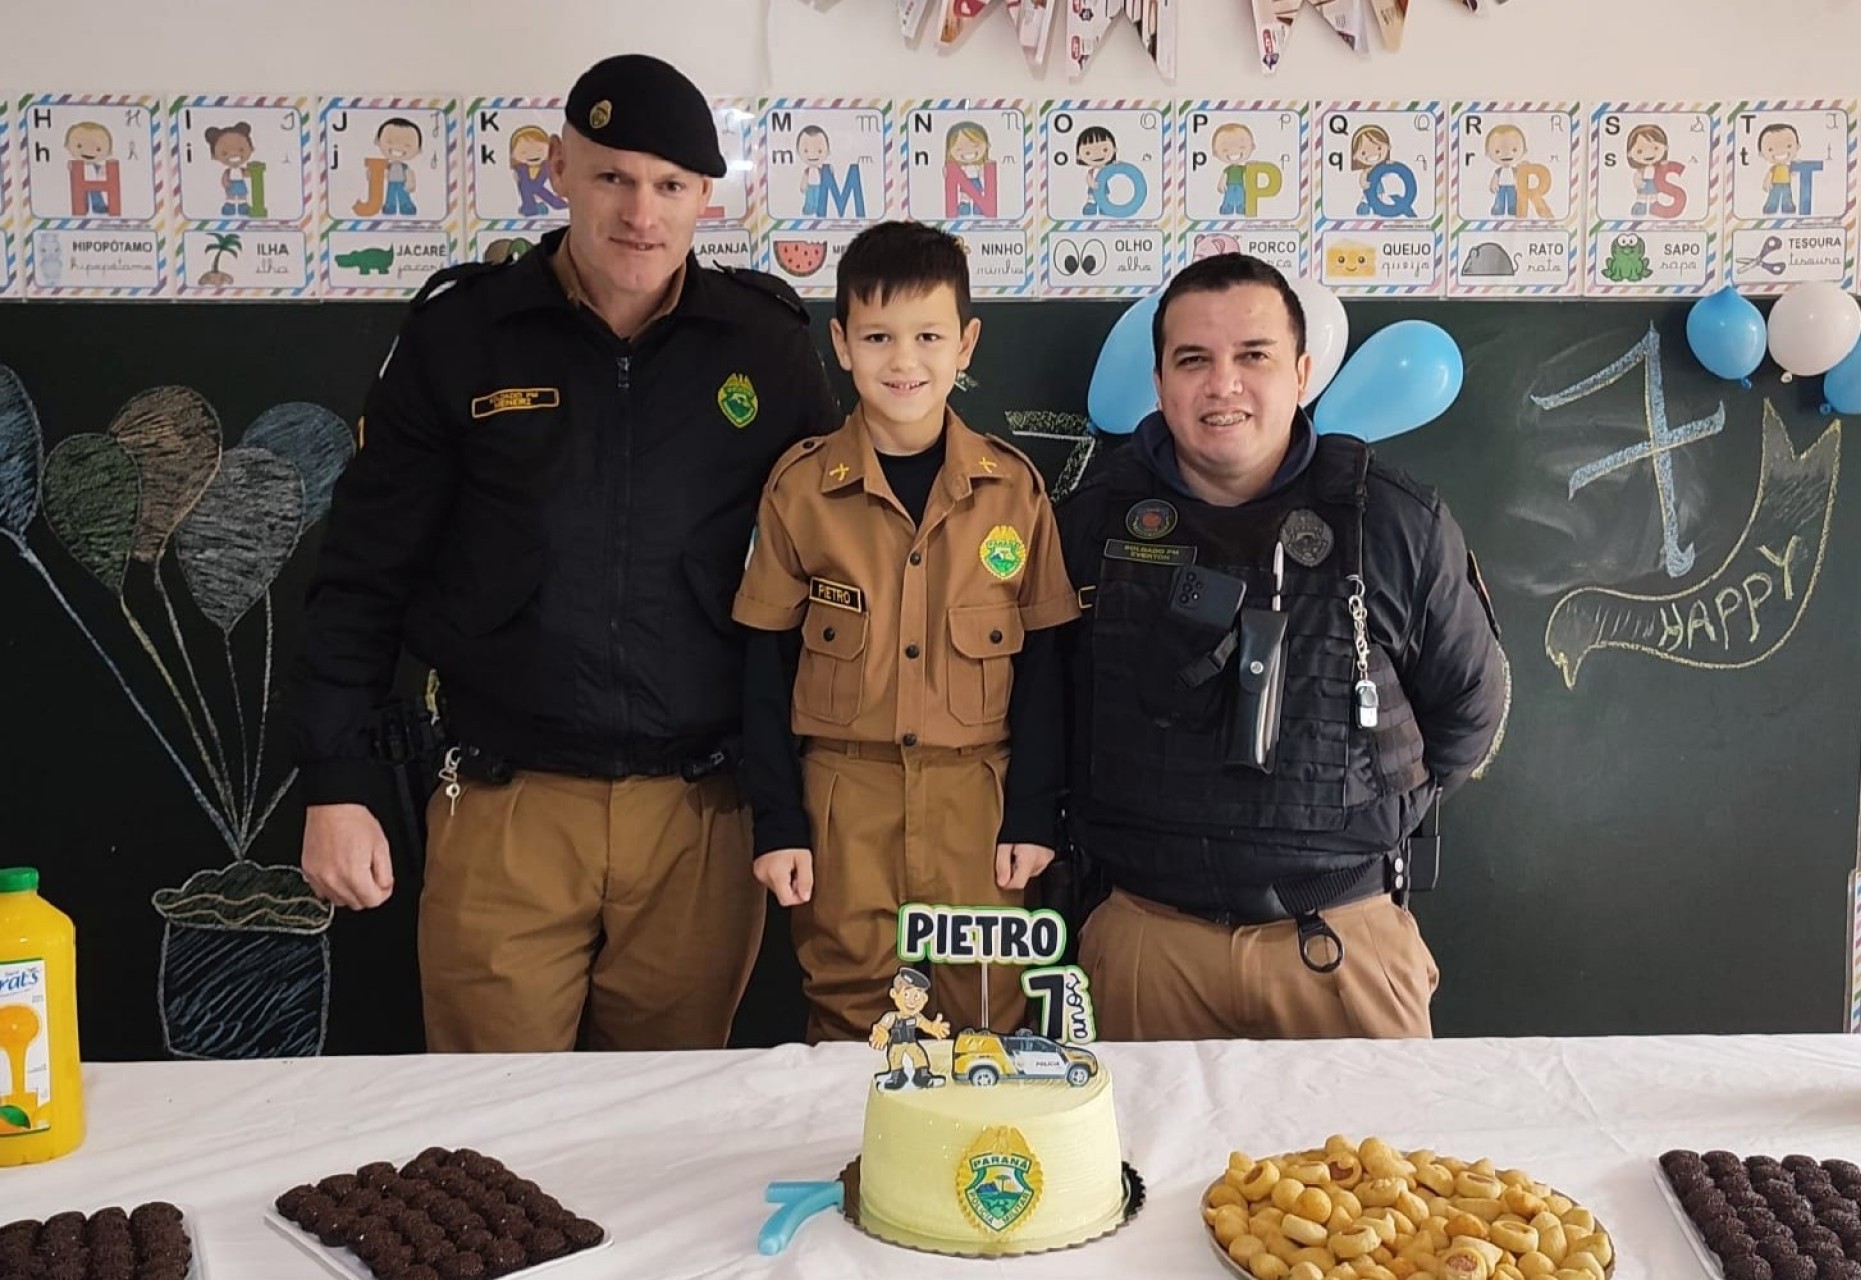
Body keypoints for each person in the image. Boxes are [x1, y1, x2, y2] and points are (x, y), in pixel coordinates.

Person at [289, 53, 842, 1054]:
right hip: (507, 809)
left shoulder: (763, 349)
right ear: (558, 170)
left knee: (662, 1140)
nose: (641, 211)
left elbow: (841, 568)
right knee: (490, 1145)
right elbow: (363, 572)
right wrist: (336, 780)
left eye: (670, 185)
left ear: (704, 198)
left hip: (701, 812)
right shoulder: (464, 337)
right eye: (612, 176)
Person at [1053, 252, 1509, 1041]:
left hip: (1341, 941)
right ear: (1159, 383)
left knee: (1377, 1166)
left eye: (1252, 356)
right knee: (1131, 1169)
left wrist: (1369, 805)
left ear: (1301, 373)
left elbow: (1469, 708)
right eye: (1193, 359)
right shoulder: (1090, 521)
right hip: (1141, 946)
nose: (1222, 384)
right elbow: (1045, 705)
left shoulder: (1394, 521)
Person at [731, 221, 1080, 1043]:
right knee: (853, 1018)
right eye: (880, 336)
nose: (904, 361)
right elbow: (761, 665)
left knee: (988, 1016)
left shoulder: (1013, 491)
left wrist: (1033, 814)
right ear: (842, 344)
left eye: (928, 336)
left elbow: (1048, 667)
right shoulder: (801, 490)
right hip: (845, 808)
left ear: (967, 344)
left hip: (979, 810)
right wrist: (778, 822)